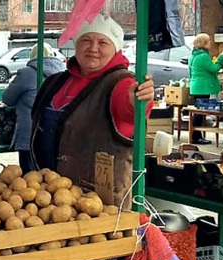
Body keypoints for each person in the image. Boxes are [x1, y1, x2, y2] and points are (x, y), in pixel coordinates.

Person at [30, 14, 154, 206]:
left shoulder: (121, 83)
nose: (93, 48)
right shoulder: (55, 82)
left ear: (116, 49)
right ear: (76, 44)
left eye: (103, 42)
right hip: (46, 196)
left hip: (97, 203)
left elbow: (128, 114)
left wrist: (135, 101)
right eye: (86, 40)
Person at [2, 43, 66, 173]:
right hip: (55, 135)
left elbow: (7, 98)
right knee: (49, 179)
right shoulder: (63, 74)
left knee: (30, 180)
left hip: (29, 135)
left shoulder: (26, 74)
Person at [188, 33, 223, 145]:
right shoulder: (203, 56)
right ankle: (196, 137)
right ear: (204, 44)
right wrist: (222, 56)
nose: (210, 43)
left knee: (199, 111)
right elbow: (214, 68)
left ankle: (195, 136)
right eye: (209, 41)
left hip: (196, 86)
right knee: (200, 113)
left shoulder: (193, 55)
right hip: (203, 87)